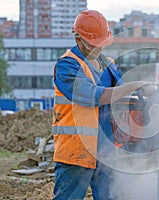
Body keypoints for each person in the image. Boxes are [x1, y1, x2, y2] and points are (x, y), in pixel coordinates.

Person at [52, 10, 152, 200]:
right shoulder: (67, 66)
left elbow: (120, 96)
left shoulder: (107, 64)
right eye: (93, 43)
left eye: (101, 42)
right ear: (77, 38)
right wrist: (134, 85)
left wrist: (143, 95)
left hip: (105, 152)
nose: (98, 47)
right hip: (77, 152)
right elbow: (92, 96)